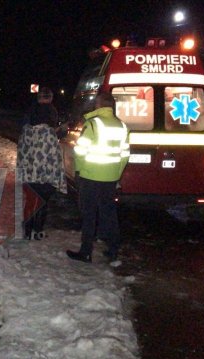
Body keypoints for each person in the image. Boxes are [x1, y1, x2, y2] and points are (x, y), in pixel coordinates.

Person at [66, 91, 130, 267]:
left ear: (98, 105)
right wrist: (116, 174)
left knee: (89, 214)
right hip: (110, 178)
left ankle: (86, 252)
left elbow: (80, 151)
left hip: (90, 176)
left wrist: (79, 170)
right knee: (109, 213)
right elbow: (125, 155)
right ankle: (113, 249)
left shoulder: (93, 124)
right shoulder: (122, 126)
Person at [17, 87, 67, 240]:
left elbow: (21, 151)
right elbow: (56, 157)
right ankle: (37, 231)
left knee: (31, 200)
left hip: (29, 172)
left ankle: (27, 231)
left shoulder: (26, 128)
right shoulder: (50, 132)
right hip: (46, 173)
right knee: (43, 202)